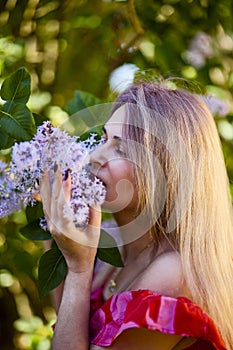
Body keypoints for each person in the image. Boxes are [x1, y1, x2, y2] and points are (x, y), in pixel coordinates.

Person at [40, 81, 233, 350]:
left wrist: (79, 268)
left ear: (163, 173)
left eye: (120, 149)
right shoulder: (115, 243)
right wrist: (54, 235)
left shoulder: (172, 275)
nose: (95, 155)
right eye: (105, 138)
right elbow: (69, 327)